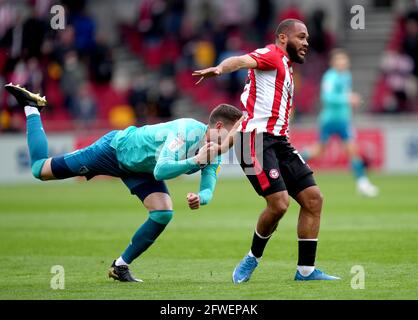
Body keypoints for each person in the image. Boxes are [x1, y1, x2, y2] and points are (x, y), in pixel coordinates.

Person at [4, 83, 243, 283]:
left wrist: (200, 197)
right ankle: (32, 108)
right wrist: (194, 159)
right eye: (232, 135)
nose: (233, 142)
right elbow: (161, 170)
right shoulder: (186, 131)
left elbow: (209, 188)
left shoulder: (217, 151)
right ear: (219, 127)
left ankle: (120, 266)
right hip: (114, 150)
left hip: (139, 169)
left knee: (162, 213)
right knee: (40, 170)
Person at [193, 19, 340, 283]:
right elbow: (240, 60)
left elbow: (248, 114)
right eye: (301, 37)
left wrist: (224, 145)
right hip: (256, 142)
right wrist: (219, 68)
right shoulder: (271, 55)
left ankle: (305, 271)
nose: (306, 42)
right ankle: (252, 257)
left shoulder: (286, 67)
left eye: (307, 38)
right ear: (283, 38)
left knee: (314, 199)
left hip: (279, 142)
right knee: (280, 204)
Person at [301, 49, 379, 197]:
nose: (343, 62)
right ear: (333, 62)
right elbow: (327, 97)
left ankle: (362, 183)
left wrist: (349, 104)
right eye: (339, 60)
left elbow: (344, 96)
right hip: (329, 120)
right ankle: (292, 162)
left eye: (344, 59)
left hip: (343, 121)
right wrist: (347, 98)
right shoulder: (330, 77)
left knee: (352, 151)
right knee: (318, 151)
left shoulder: (346, 76)